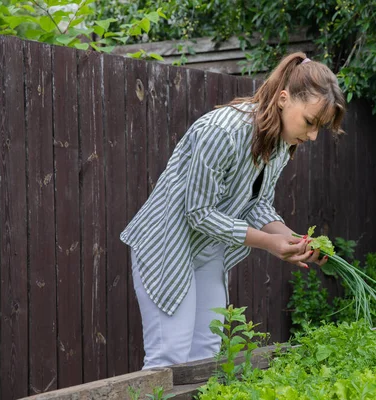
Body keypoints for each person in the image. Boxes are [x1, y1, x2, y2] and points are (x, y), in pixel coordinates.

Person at [120, 52, 346, 368]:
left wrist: (294, 241)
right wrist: (270, 244)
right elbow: (198, 212)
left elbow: (257, 203)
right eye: (310, 122)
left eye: (319, 128)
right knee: (169, 359)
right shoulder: (223, 130)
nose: (312, 136)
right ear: (283, 99)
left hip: (206, 249)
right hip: (166, 245)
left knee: (207, 357)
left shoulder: (280, 143)